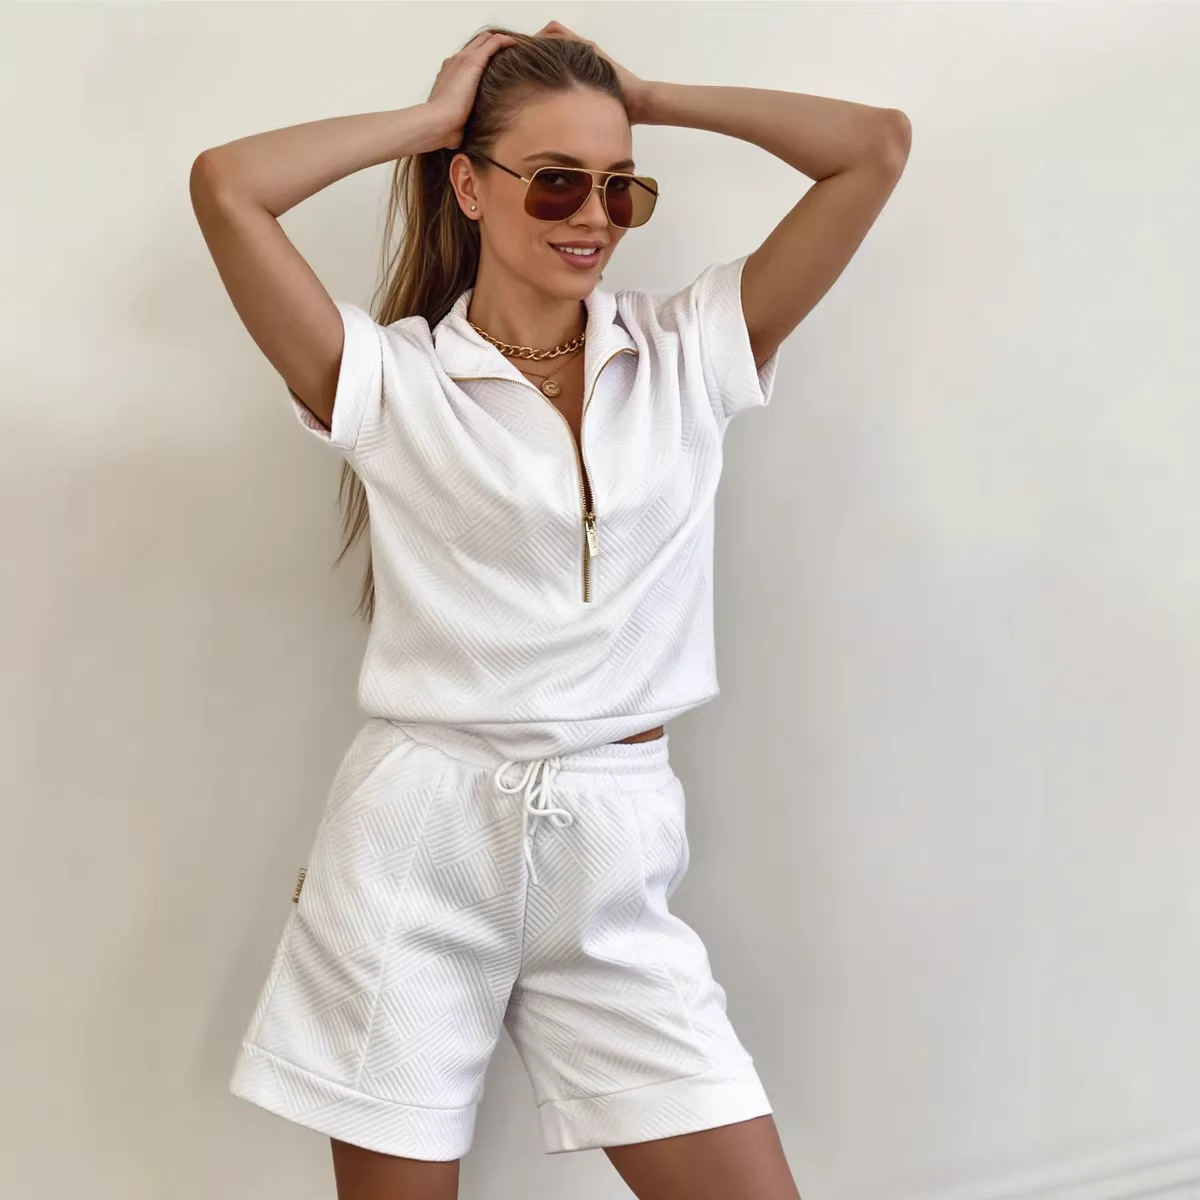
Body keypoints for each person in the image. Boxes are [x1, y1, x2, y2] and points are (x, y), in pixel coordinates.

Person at [190, 21, 909, 1200]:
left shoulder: (687, 352)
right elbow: (228, 186)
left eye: (621, 187)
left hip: (614, 844)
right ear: (469, 186)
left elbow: (873, 148)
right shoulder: (391, 380)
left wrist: (652, 95)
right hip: (420, 843)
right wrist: (432, 120)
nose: (594, 216)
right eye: (556, 180)